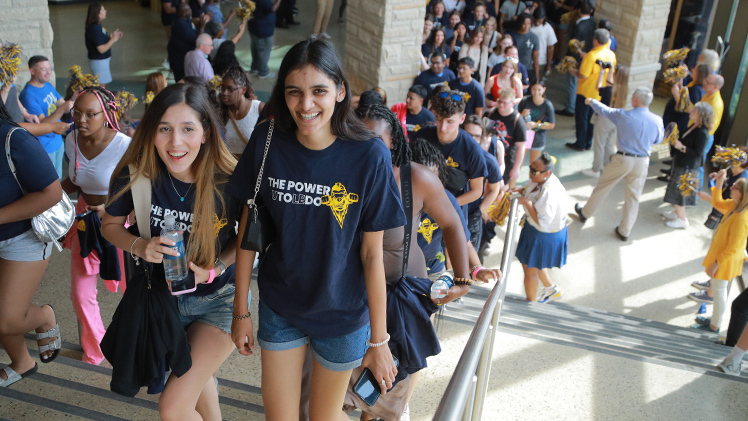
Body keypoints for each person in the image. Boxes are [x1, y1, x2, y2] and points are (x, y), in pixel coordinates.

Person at [228, 39, 403, 420]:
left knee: (323, 417)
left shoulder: (369, 155)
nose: (306, 105)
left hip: (342, 314)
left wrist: (380, 339)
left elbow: (373, 255)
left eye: (319, 91)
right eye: (295, 92)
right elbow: (248, 231)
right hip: (281, 305)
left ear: (341, 91)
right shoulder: (268, 140)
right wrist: (241, 309)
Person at [102, 83, 241, 419]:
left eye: (188, 129)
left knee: (173, 407)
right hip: (164, 305)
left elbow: (248, 240)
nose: (175, 142)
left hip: (219, 302)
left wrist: (214, 269)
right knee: (195, 378)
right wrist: (138, 245)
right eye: (164, 129)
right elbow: (109, 225)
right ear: (152, 132)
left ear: (206, 133)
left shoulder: (230, 180)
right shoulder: (137, 175)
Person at [339, 104, 472, 420]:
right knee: (334, 397)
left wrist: (463, 280)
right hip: (352, 306)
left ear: (394, 144)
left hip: (401, 306)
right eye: (358, 139)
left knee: (384, 402)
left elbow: (453, 224)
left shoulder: (415, 179)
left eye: (376, 141)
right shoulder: (342, 179)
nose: (366, 149)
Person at [60, 87, 131, 365]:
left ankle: (136, 343)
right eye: (77, 113)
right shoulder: (71, 140)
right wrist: (48, 194)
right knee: (80, 293)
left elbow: (139, 186)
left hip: (118, 219)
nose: (82, 120)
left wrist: (110, 208)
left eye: (91, 114)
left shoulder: (124, 145)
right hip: (84, 220)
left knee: (133, 289)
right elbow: (77, 181)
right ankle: (97, 348)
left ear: (107, 115)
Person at [0, 99, 63, 387]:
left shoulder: (14, 138)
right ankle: (22, 363)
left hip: (23, 236)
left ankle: (43, 316)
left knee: (7, 319)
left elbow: (51, 193)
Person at [574, 87, 664, 241]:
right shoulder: (657, 120)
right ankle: (625, 231)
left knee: (603, 186)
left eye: (633, 97)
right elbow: (658, 140)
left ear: (636, 100)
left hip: (623, 159)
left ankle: (585, 213)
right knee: (633, 196)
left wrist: (591, 101)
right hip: (642, 161)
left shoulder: (624, 116)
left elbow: (605, 111)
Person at [685, 171, 748, 334]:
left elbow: (733, 247)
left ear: (741, 194)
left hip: (725, 260)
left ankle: (714, 325)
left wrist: (716, 263)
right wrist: (719, 182)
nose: (731, 187)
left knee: (719, 292)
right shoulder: (735, 206)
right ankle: (714, 321)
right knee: (719, 288)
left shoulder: (741, 218)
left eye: (735, 187)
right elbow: (719, 203)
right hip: (723, 257)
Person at [419, 89, 486, 214]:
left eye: (450, 121)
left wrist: (449, 204)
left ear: (462, 119)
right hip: (420, 204)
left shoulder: (472, 150)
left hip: (451, 210)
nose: (443, 128)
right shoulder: (422, 135)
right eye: (438, 119)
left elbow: (477, 191)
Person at [513, 152, 567, 302]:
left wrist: (526, 202)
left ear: (547, 173)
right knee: (536, 262)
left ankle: (531, 303)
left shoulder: (550, 192)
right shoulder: (540, 179)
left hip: (543, 233)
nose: (531, 173)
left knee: (529, 269)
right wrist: (520, 190)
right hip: (539, 230)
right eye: (530, 168)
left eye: (534, 171)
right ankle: (550, 289)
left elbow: (542, 221)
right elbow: (531, 192)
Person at [19, 55, 76, 179]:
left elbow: (63, 104)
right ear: (32, 71)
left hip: (57, 140)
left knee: (58, 178)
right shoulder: (28, 95)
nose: (48, 72)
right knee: (49, 182)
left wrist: (74, 97)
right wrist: (61, 109)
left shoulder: (47, 85)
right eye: (44, 69)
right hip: (44, 146)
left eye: (50, 68)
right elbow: (42, 124)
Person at [662, 102, 713, 229]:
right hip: (682, 163)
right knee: (676, 190)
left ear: (701, 115)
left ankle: (682, 219)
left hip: (687, 166)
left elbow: (698, 153)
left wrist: (682, 147)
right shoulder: (694, 127)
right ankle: (677, 213)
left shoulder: (702, 132)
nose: (691, 112)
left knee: (679, 192)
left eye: (694, 111)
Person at [566, 28, 616, 151]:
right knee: (591, 119)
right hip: (600, 92)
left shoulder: (591, 55)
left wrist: (574, 72)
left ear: (595, 41)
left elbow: (583, 74)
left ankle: (580, 143)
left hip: (586, 92)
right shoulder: (611, 54)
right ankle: (588, 142)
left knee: (582, 118)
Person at [581, 65, 630, 178]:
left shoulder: (609, 90)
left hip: (605, 119)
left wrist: (602, 72)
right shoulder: (624, 90)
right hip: (616, 119)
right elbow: (609, 84)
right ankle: (608, 165)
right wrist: (611, 71)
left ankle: (595, 170)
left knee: (599, 144)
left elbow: (598, 87)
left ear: (615, 76)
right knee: (607, 142)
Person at [462, 115, 502, 251]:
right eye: (468, 135)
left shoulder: (489, 161)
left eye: (477, 136)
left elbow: (495, 189)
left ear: (482, 138)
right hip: (449, 212)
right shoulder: (450, 155)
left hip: (472, 215)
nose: (472, 140)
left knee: (470, 261)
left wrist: (479, 211)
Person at [556, 1, 596, 117]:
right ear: (591, 11)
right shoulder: (593, 24)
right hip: (588, 57)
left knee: (572, 83)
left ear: (578, 10)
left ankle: (570, 108)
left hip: (576, 58)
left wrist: (568, 59)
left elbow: (574, 45)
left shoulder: (578, 26)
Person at [220, 66, 264, 158]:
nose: (224, 92)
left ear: (243, 90)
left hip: (251, 167)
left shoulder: (259, 109)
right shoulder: (221, 111)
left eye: (230, 89)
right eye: (223, 88)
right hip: (229, 167)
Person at [488, 87, 527, 186]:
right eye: (500, 101)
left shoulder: (517, 120)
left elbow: (521, 147)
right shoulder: (490, 113)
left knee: (500, 186)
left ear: (512, 104)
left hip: (507, 160)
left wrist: (516, 168)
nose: (501, 105)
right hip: (489, 156)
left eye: (505, 103)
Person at [84, 3, 123, 87]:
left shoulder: (97, 26)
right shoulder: (95, 28)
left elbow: (99, 41)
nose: (105, 11)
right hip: (99, 62)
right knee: (101, 87)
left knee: (101, 84)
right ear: (97, 13)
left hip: (102, 61)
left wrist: (111, 37)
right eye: (103, 9)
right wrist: (113, 40)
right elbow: (101, 49)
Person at [168, 3, 208, 83]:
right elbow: (198, 41)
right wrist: (202, 27)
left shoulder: (182, 20)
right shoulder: (181, 25)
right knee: (182, 83)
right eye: (188, 10)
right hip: (180, 61)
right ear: (184, 13)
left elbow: (192, 30)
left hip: (182, 58)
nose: (191, 10)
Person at [518, 80, 555, 164]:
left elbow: (551, 124)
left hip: (538, 136)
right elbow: (515, 116)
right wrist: (522, 114)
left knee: (534, 164)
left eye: (539, 89)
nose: (536, 92)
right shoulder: (525, 101)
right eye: (534, 89)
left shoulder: (547, 105)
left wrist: (536, 125)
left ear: (544, 89)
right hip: (524, 134)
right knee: (518, 161)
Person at [249, 0, 282, 79]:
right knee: (263, 51)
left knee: (255, 48)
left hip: (254, 26)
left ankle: (255, 67)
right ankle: (263, 72)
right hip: (263, 30)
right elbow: (272, 8)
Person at [510, 13, 540, 84]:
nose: (526, 26)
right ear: (519, 23)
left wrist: (537, 76)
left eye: (529, 24)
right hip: (513, 69)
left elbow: (535, 58)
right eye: (524, 24)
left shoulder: (534, 37)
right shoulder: (512, 36)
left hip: (528, 69)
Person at [530, 7, 557, 80]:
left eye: (539, 21)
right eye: (535, 20)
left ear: (544, 18)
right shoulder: (528, 25)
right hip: (527, 61)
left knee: (538, 82)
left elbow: (550, 47)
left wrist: (548, 65)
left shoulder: (548, 28)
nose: (537, 23)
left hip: (541, 61)